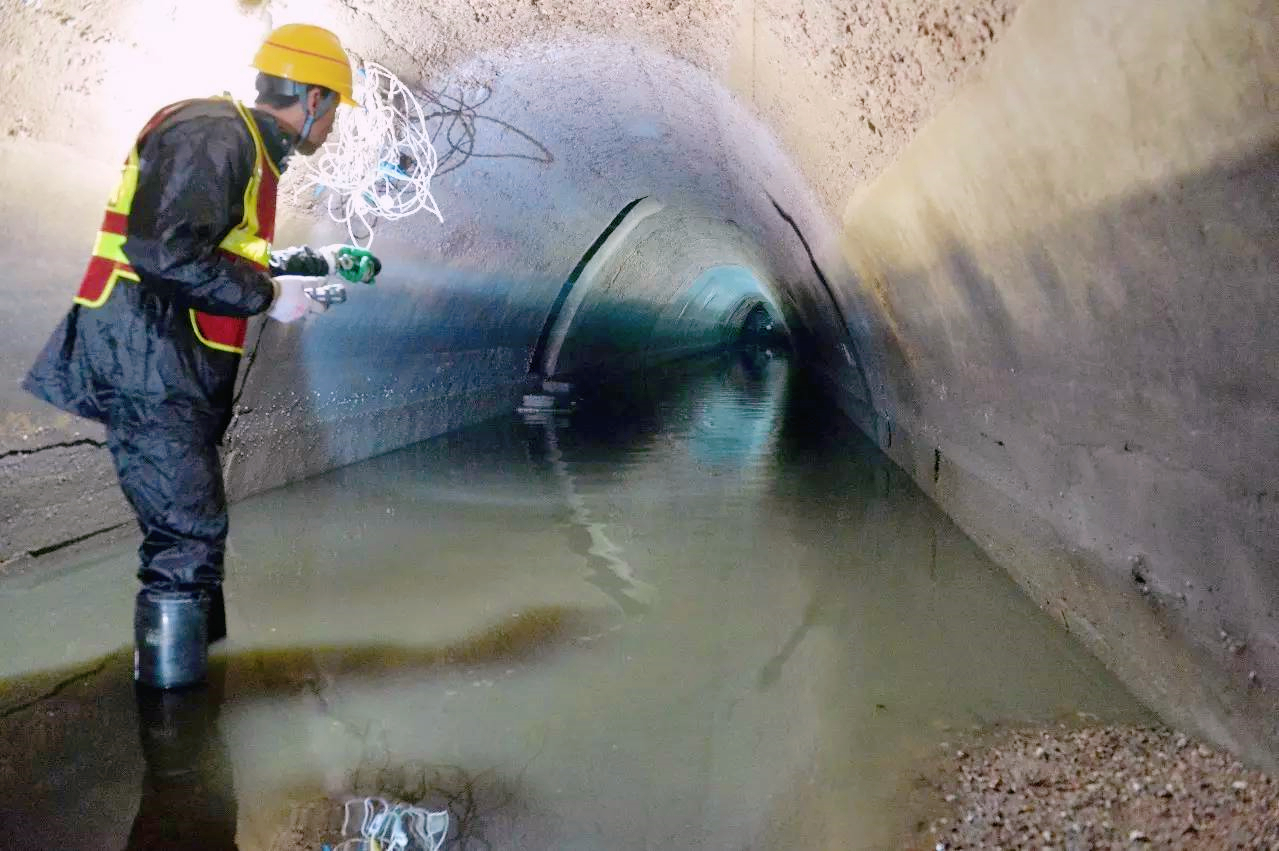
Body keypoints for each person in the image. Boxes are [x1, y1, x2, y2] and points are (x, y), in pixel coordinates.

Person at [22, 23, 381, 689]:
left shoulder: (241, 149)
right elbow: (163, 251)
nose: (332, 129)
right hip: (145, 355)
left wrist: (309, 264)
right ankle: (179, 758)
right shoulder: (216, 132)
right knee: (185, 541)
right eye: (333, 111)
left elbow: (218, 249)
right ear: (312, 99)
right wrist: (271, 294)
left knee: (194, 535)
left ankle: (200, 697)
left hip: (167, 360)